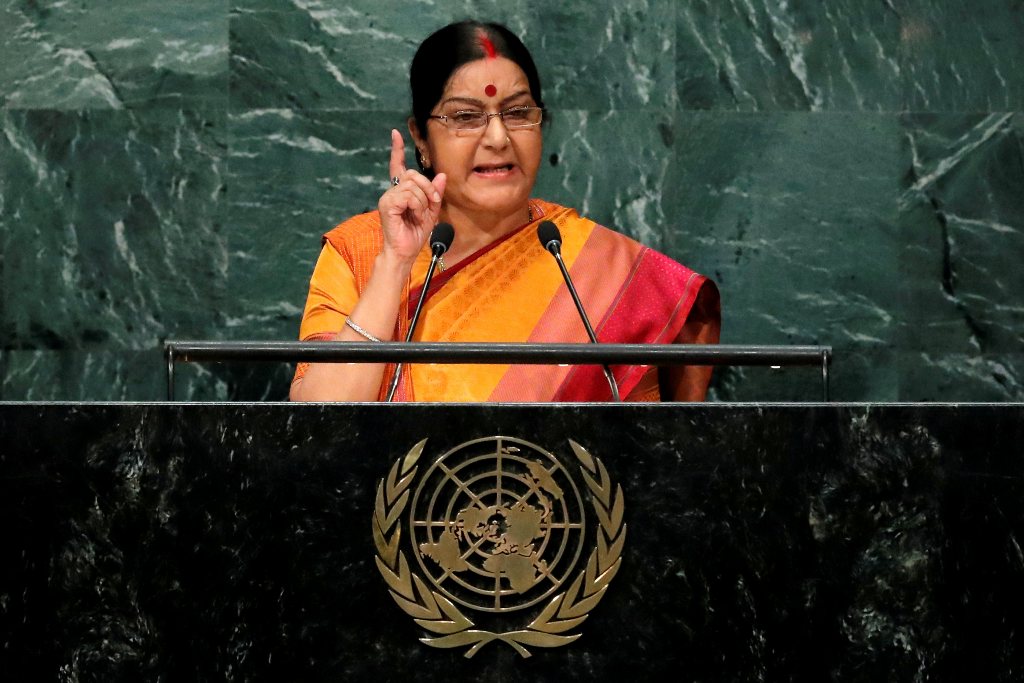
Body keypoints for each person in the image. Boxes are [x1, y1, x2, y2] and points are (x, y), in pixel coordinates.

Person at [290, 20, 720, 402]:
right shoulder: (359, 252)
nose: (498, 137)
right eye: (466, 116)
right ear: (421, 138)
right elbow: (318, 430)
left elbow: (643, 459)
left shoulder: (599, 267)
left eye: (517, 113)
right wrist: (395, 264)